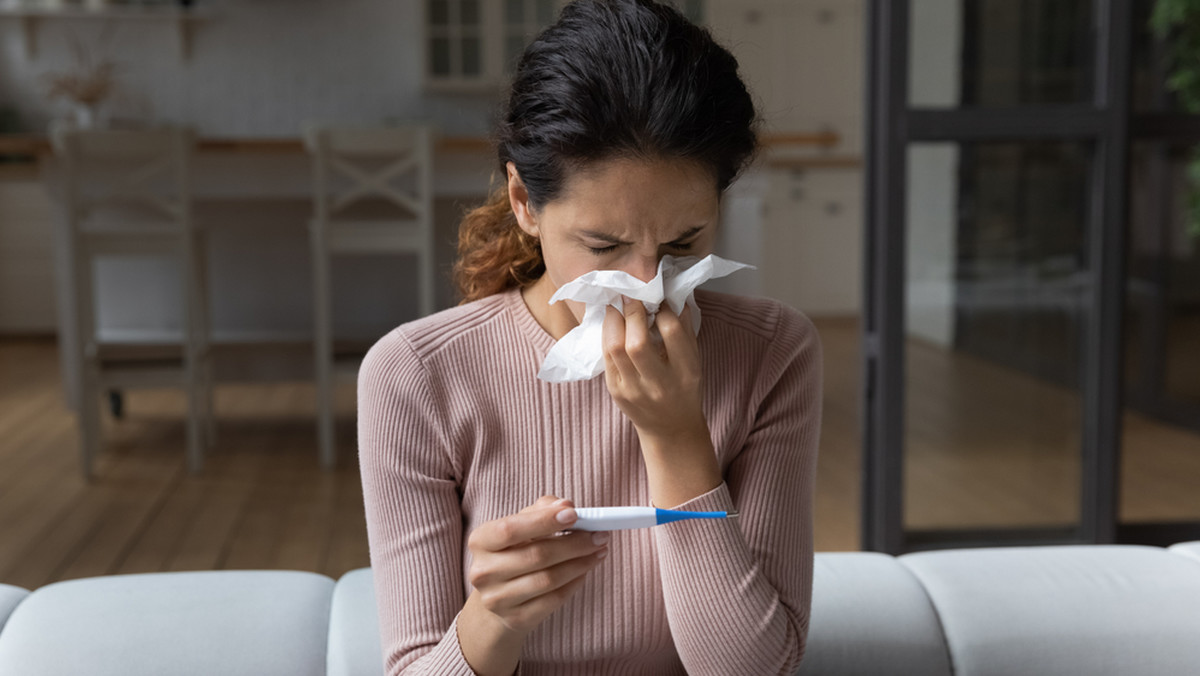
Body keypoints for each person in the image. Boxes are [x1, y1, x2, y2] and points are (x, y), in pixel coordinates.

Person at [358, 1, 822, 674]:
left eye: (682, 242)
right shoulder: (416, 375)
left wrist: (675, 436)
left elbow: (752, 669)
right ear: (524, 202)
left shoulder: (772, 352)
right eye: (603, 244)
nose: (645, 282)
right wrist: (493, 616)